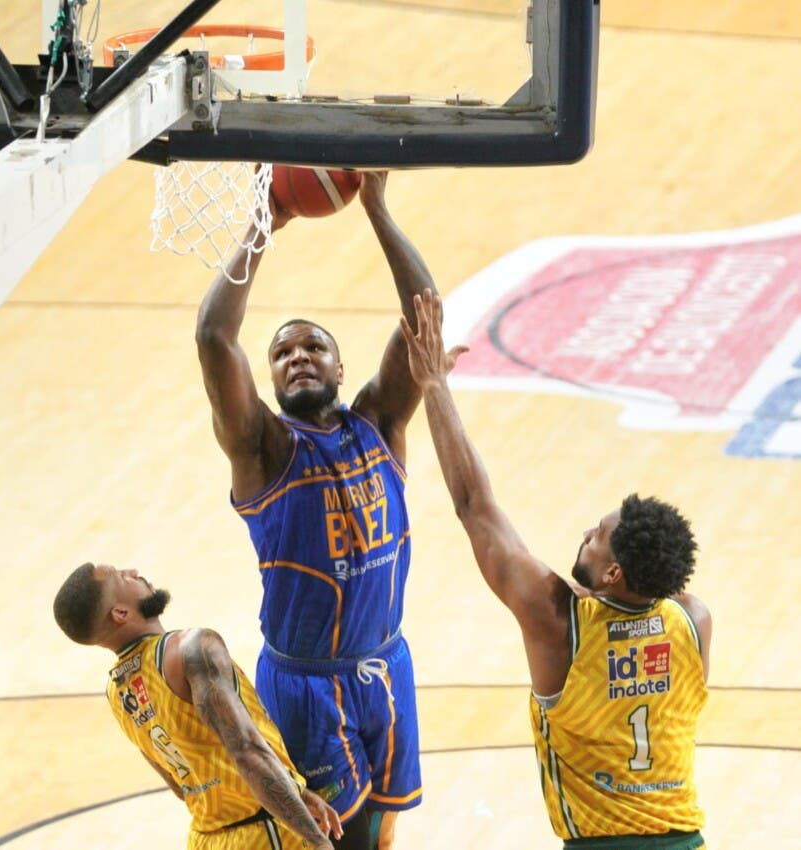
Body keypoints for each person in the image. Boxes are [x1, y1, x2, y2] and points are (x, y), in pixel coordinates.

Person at [400, 289, 712, 849]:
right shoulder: (692, 620)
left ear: (615, 574)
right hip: (686, 839)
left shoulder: (558, 622)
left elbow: (475, 505)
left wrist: (434, 387)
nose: (587, 535)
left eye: (598, 536)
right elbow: (650, 611)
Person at [194, 172, 435, 850]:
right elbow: (214, 337)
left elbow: (425, 312)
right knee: (336, 839)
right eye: (281, 353)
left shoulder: (380, 421)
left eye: (312, 347)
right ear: (269, 379)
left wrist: (377, 210)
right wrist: (262, 223)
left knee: (382, 833)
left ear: (337, 365)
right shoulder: (264, 448)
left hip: (386, 663)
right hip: (304, 685)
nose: (297, 355)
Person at [53, 562, 343, 850]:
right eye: (121, 576)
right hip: (266, 833)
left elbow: (181, 783)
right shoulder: (191, 648)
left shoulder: (117, 692)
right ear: (120, 613)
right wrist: (317, 841)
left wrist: (294, 791)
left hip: (206, 838)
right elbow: (246, 750)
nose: (133, 571)